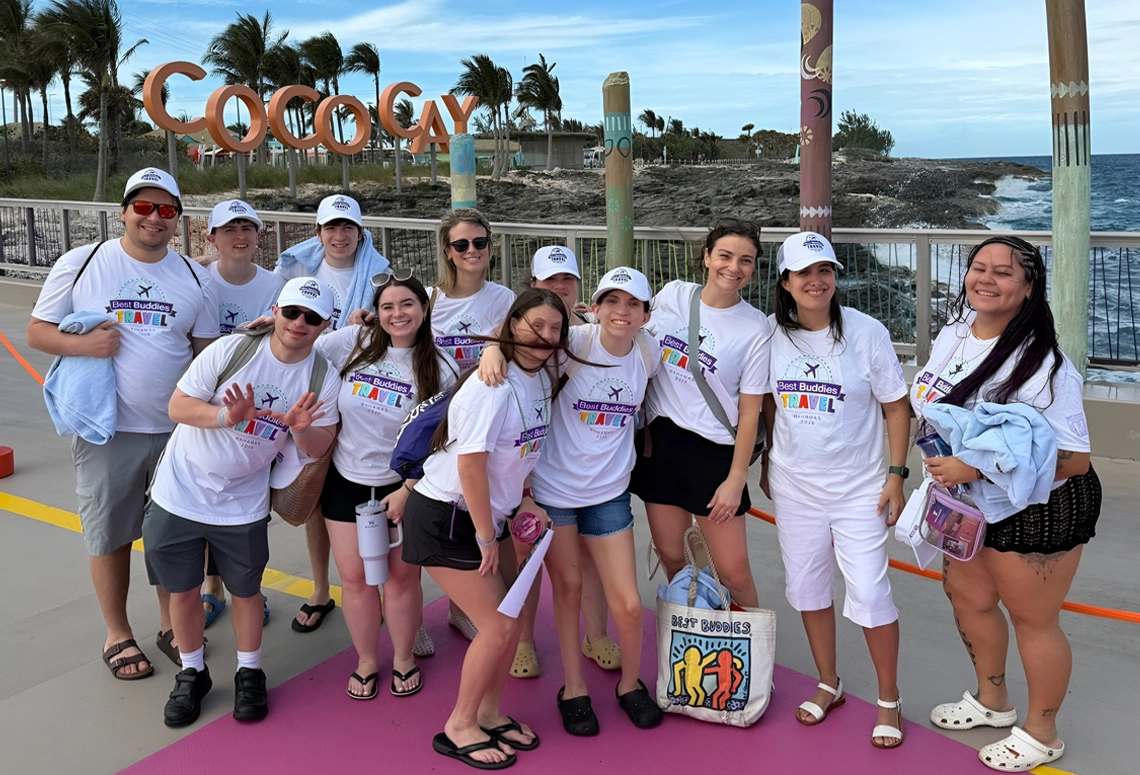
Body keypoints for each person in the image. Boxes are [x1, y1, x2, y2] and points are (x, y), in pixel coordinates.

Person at [912, 236, 1097, 772]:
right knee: (969, 599)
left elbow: (1075, 459)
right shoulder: (953, 333)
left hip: (1037, 510)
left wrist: (975, 466)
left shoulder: (1046, 366)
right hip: (968, 506)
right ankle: (992, 699)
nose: (986, 280)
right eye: (978, 268)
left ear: (1029, 288)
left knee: (1032, 619)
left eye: (1004, 273)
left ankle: (1043, 731)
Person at [26, 167, 218, 680]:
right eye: (144, 207)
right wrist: (80, 344)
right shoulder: (83, 261)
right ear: (124, 211)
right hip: (107, 427)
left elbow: (203, 356)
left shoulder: (194, 277)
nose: (154, 219)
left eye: (167, 211)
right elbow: (37, 331)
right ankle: (117, 632)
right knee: (109, 533)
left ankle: (169, 625)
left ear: (178, 220)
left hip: (178, 430)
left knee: (172, 536)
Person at [143, 277, 340, 726]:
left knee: (247, 591)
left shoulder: (322, 377)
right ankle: (192, 672)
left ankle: (250, 671)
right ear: (275, 310)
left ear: (324, 325)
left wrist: (300, 428)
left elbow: (318, 444)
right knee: (183, 589)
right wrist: (224, 416)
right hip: (182, 489)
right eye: (292, 312)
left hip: (243, 500)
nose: (299, 323)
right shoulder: (230, 351)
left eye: (311, 318)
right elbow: (178, 406)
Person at [480, 267, 663, 735]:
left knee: (627, 603)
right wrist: (492, 349)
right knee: (568, 591)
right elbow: (523, 345)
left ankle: (629, 684)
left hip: (609, 494)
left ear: (646, 314)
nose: (622, 312)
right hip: (555, 493)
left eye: (633, 304)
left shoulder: (649, 351)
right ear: (594, 307)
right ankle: (575, 688)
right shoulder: (573, 346)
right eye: (612, 301)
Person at [758, 232, 910, 748]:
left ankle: (889, 698)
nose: (816, 280)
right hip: (795, 486)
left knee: (869, 590)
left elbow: (895, 406)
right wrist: (764, 462)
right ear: (785, 282)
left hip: (860, 488)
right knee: (807, 587)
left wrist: (896, 474)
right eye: (804, 272)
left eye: (825, 270)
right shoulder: (770, 335)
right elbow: (766, 404)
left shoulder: (867, 333)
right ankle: (830, 682)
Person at [403, 288, 565, 769]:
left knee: (509, 625)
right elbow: (470, 467)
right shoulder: (490, 385)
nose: (546, 337)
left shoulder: (536, 379)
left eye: (555, 329)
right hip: (446, 516)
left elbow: (519, 453)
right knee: (495, 626)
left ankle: (490, 712)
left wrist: (525, 500)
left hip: (481, 517)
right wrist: (486, 537)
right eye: (536, 325)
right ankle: (459, 725)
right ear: (512, 325)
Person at [313, 271, 458, 700]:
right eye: (388, 306)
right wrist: (270, 323)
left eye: (407, 304)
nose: (398, 314)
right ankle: (366, 661)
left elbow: (446, 440)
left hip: (402, 485)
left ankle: (403, 659)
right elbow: (298, 342)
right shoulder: (350, 343)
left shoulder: (442, 366)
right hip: (346, 481)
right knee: (355, 579)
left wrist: (409, 488)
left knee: (400, 580)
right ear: (375, 313)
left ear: (425, 309)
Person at [631, 217, 770, 609]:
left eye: (745, 260)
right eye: (724, 255)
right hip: (660, 444)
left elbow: (749, 411)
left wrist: (736, 478)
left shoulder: (756, 328)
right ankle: (690, 629)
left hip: (714, 454)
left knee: (734, 571)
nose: (733, 267)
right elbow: (632, 334)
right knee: (673, 556)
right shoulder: (674, 294)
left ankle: (752, 647)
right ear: (706, 257)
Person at [503, 245, 620, 680]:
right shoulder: (523, 340)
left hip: (582, 473)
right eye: (549, 281)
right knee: (525, 555)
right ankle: (525, 640)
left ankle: (596, 633)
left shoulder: (590, 332)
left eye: (567, 280)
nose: (560, 288)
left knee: (588, 554)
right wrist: (495, 352)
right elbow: (498, 352)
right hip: (530, 469)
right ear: (533, 288)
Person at [274, 194, 390, 634]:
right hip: (315, 391)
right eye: (331, 228)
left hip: (364, 396)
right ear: (318, 232)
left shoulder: (380, 275)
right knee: (319, 498)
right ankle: (322, 589)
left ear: (360, 232)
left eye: (347, 228)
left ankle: (385, 595)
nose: (339, 236)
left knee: (373, 497)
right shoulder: (295, 272)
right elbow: (277, 315)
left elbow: (398, 321)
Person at [425, 208, 516, 641]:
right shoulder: (428, 300)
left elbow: (532, 334)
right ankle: (406, 623)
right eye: (461, 244)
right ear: (448, 251)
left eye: (479, 242)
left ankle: (461, 608)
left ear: (490, 246)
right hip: (431, 416)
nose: (472, 251)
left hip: (479, 419)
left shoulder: (504, 298)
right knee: (418, 513)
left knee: (466, 513)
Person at [198, 199, 284, 630]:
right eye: (229, 228)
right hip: (208, 405)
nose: (240, 235)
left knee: (251, 504)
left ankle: (249, 586)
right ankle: (212, 583)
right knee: (210, 495)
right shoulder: (197, 278)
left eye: (248, 227)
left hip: (257, 405)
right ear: (211, 237)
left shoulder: (275, 285)